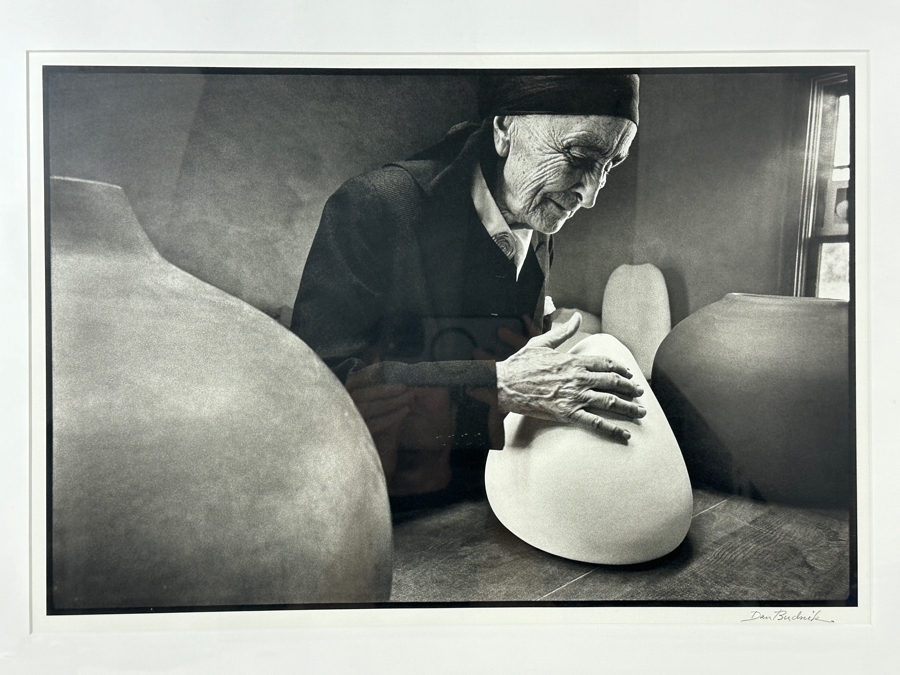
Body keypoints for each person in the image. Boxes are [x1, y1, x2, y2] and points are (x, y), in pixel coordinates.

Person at [291, 73, 646, 507]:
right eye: (578, 155)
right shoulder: (375, 206)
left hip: (488, 501)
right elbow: (318, 391)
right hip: (377, 507)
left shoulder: (539, 215)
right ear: (503, 130)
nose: (590, 195)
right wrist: (497, 386)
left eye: (611, 165)